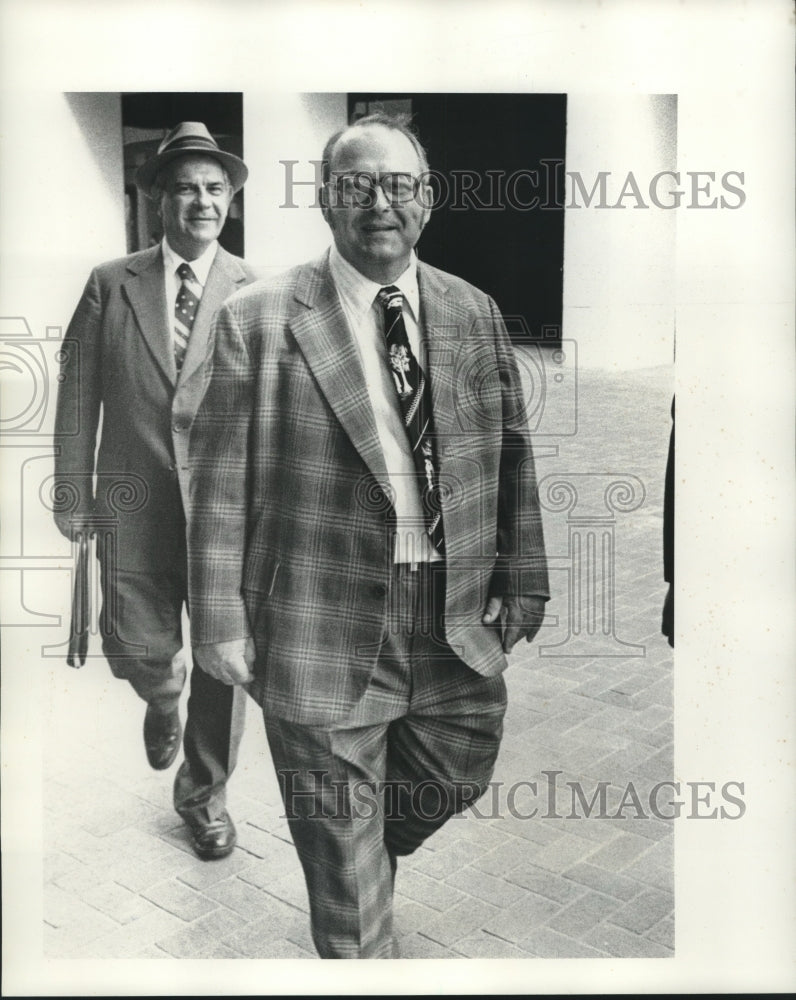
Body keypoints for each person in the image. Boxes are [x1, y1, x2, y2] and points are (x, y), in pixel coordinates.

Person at [188, 111, 550, 955]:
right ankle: (351, 897)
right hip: (316, 619)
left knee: (455, 767)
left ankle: (354, 847)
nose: (378, 203)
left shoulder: (473, 311)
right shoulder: (258, 317)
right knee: (349, 892)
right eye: (356, 185)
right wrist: (220, 619)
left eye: (398, 185)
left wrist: (521, 579)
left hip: (450, 618)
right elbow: (216, 485)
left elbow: (512, 457)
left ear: (427, 198)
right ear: (325, 200)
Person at [53, 122, 257, 860]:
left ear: (229, 201)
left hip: (223, 518)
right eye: (184, 188)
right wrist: (72, 494)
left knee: (222, 659)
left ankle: (204, 798)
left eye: (214, 188)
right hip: (132, 504)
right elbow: (78, 394)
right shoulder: (113, 283)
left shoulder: (256, 289)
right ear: (157, 199)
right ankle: (159, 698)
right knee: (142, 647)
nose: (201, 201)